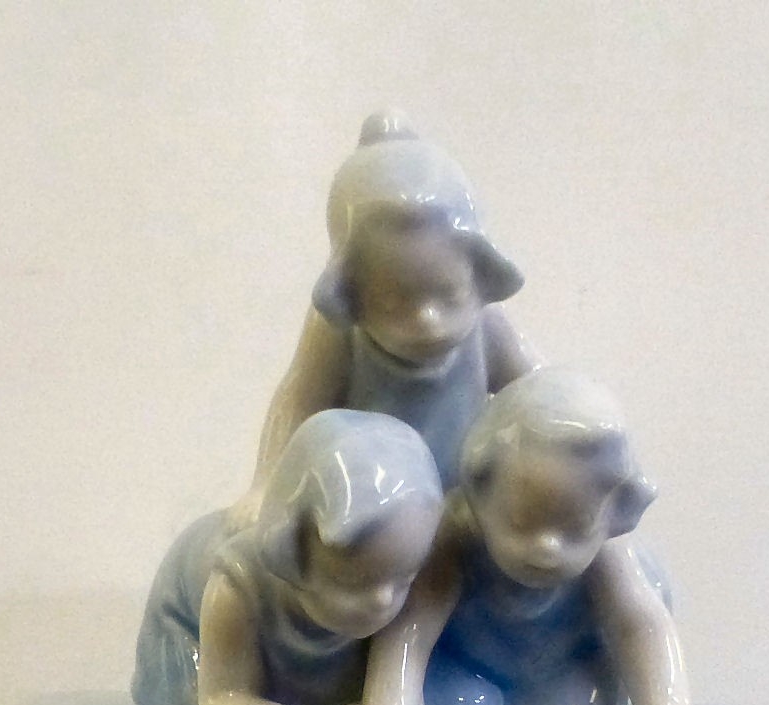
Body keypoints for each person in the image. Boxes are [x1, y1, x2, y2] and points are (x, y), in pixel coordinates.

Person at [347, 368, 741, 705]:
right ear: (481, 488)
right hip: (473, 669)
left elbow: (639, 623)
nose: (548, 547)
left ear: (616, 513)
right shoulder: (457, 534)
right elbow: (412, 624)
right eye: (521, 522)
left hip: (562, 669)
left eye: (577, 529)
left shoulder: (609, 550)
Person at [228, 112, 539, 528]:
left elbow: (537, 391)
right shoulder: (337, 330)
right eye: (393, 304)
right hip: (377, 513)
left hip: (465, 505)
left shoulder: (487, 324)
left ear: (479, 272)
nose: (429, 321)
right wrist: (265, 485)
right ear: (351, 291)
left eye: (450, 295)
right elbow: (298, 399)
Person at [132, 408, 443, 705]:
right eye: (351, 581)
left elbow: (401, 702)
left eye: (404, 579)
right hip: (190, 654)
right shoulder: (236, 584)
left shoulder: (393, 581)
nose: (383, 600)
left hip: (296, 673)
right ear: (291, 548)